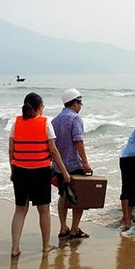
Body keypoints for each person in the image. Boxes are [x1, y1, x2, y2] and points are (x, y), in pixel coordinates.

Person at [9, 92, 70, 256]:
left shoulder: (16, 123)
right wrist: (64, 171)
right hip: (40, 172)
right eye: (42, 106)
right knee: (43, 210)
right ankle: (45, 246)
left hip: (20, 171)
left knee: (20, 210)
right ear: (38, 107)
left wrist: (12, 170)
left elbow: (11, 150)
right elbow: (53, 150)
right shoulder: (45, 123)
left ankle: (15, 248)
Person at [52, 88, 92, 240]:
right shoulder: (75, 119)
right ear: (75, 103)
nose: (80, 107)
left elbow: (52, 145)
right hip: (74, 165)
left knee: (63, 195)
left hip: (59, 166)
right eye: (80, 103)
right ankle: (74, 229)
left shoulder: (55, 120)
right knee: (78, 198)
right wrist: (86, 163)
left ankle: (63, 227)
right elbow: (78, 142)